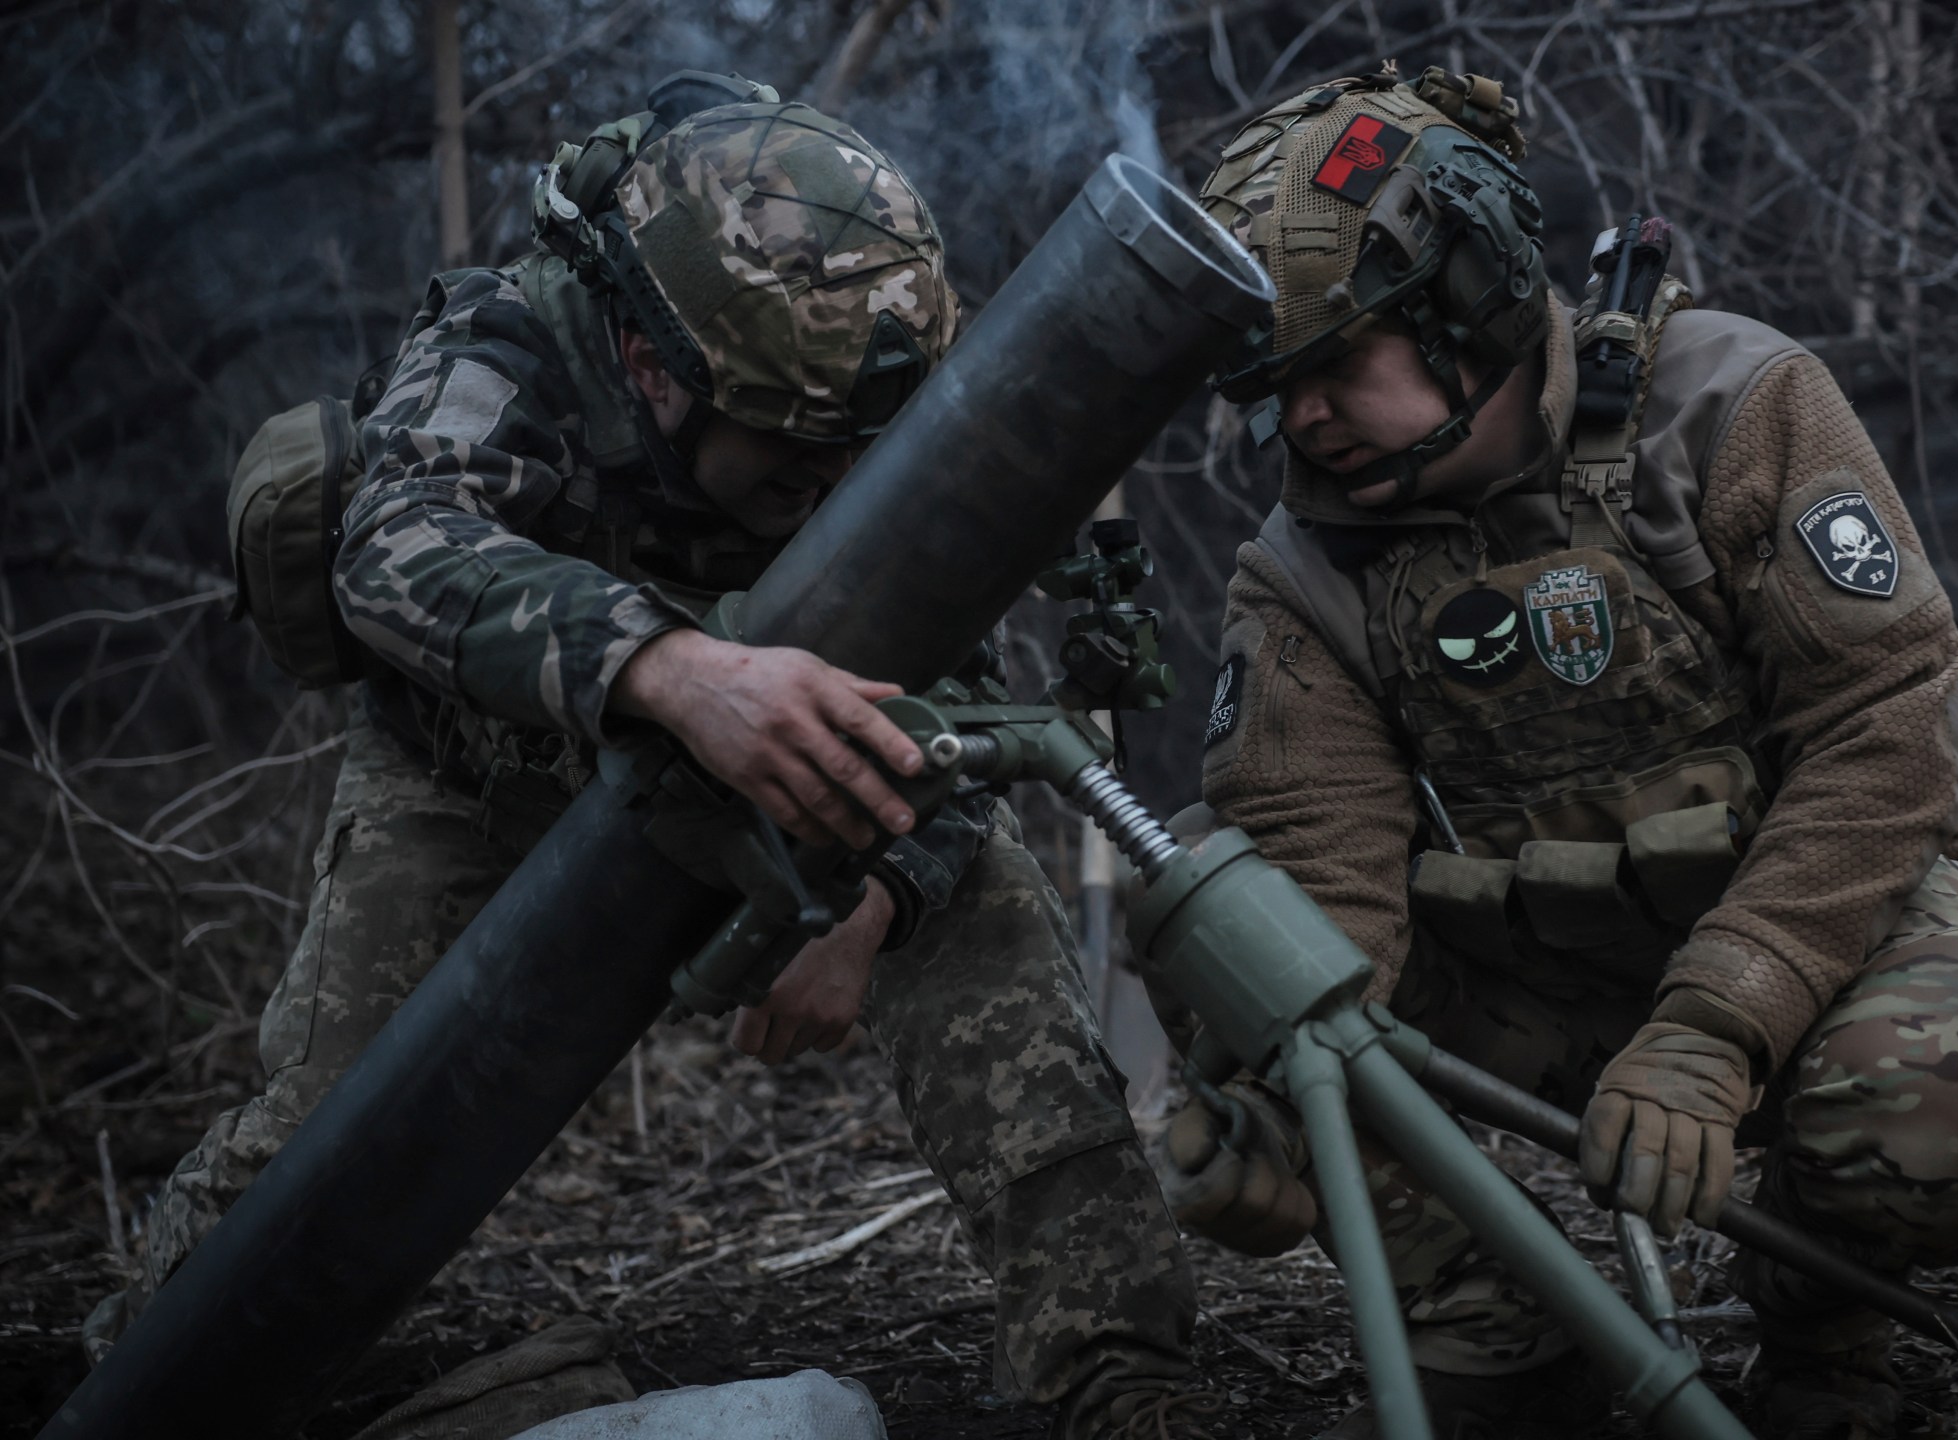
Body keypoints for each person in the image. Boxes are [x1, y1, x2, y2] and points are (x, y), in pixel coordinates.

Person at [86, 79, 1211, 1440]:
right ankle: (132, 1379)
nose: (827, 476)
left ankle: (1119, 1370)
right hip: (480, 783)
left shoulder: (860, 374)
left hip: (795, 763)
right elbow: (395, 550)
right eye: (787, 454)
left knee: (993, 943)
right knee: (329, 1136)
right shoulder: (510, 344)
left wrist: (882, 893)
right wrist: (676, 671)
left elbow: (953, 671)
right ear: (651, 366)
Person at [1154, 66, 1958, 1440]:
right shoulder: (1303, 576)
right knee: (1216, 908)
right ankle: (1491, 1323)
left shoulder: (1725, 407)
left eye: (1326, 367)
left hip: (1819, 935)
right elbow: (1321, 891)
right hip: (1531, 984)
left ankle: (1828, 1318)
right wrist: (1280, 1114)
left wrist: (1720, 1024)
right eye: (1266, 386)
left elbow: (1885, 732)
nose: (1294, 420)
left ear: (1463, 302)